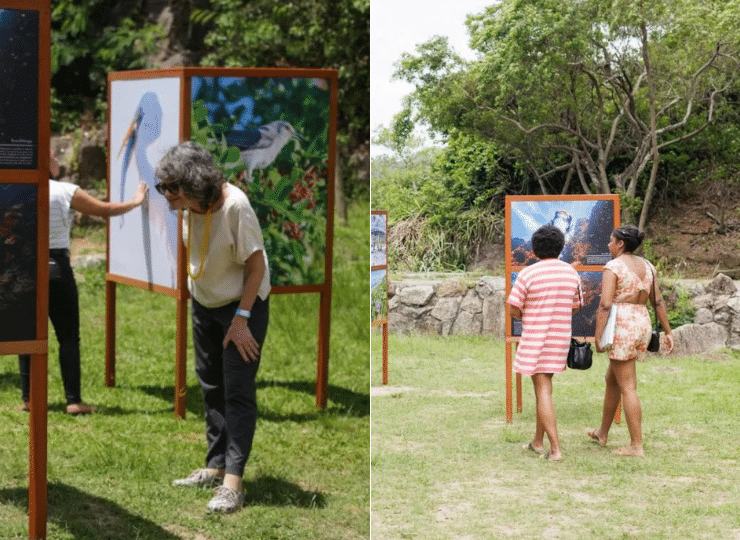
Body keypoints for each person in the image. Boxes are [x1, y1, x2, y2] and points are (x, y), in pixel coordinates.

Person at [156, 141, 270, 514]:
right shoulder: (191, 204)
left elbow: (256, 268)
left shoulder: (235, 205)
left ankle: (233, 484)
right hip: (205, 304)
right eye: (163, 188)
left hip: (242, 307)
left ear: (194, 181)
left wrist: (242, 320)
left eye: (171, 188)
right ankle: (214, 465)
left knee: (236, 389)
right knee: (210, 384)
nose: (166, 195)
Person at [19, 150, 148, 414]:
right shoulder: (65, 191)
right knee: (68, 336)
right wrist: (135, 202)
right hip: (57, 267)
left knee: (28, 337)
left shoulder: (17, 189)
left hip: (26, 268)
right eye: (53, 156)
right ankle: (73, 401)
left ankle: (29, 400)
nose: (58, 161)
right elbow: (104, 210)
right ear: (47, 163)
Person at [590, 226, 674, 457]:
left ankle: (636, 445)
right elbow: (657, 302)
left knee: (628, 386)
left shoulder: (613, 267)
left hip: (621, 325)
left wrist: (597, 336)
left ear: (620, 244)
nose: (608, 245)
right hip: (641, 322)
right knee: (613, 378)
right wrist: (668, 332)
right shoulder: (648, 266)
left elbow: (605, 304)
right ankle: (602, 433)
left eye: (610, 240)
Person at [506, 225, 582, 462]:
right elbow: (577, 305)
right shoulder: (571, 273)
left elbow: (513, 307)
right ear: (561, 247)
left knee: (543, 391)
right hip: (558, 340)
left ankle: (556, 449)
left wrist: (527, 314)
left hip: (536, 339)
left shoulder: (528, 273)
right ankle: (538, 442)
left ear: (534, 248)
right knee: (544, 388)